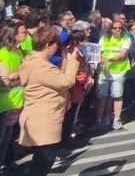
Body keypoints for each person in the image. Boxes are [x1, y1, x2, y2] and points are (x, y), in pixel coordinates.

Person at [18, 26, 78, 174]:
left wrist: (64, 59)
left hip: (37, 115)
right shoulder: (41, 66)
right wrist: (72, 62)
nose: (57, 48)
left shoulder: (31, 61)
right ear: (47, 45)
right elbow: (66, 82)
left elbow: (56, 79)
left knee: (40, 159)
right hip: (45, 117)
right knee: (44, 160)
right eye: (56, 44)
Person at [96, 20, 131, 130]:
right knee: (102, 96)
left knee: (117, 95)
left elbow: (123, 55)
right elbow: (99, 52)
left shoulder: (126, 39)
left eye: (120, 28)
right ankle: (100, 119)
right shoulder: (104, 39)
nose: (117, 30)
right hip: (104, 70)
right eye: (115, 28)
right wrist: (103, 60)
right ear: (111, 29)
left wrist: (109, 59)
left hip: (119, 71)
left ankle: (116, 119)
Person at [0, 22, 26, 171]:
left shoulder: (19, 52)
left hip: (16, 102)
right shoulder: (3, 53)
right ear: (13, 34)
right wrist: (16, 76)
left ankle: (5, 164)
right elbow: (4, 81)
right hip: (3, 103)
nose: (26, 35)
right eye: (23, 32)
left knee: (7, 139)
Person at [61, 29, 93, 142]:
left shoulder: (81, 53)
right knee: (69, 115)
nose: (85, 42)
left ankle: (69, 135)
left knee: (73, 114)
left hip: (79, 88)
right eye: (83, 40)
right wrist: (85, 79)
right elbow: (74, 71)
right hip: (73, 88)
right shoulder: (72, 54)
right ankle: (65, 139)